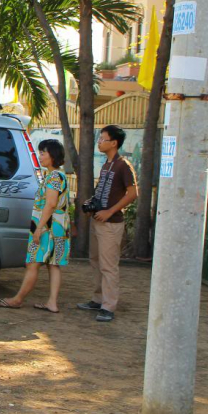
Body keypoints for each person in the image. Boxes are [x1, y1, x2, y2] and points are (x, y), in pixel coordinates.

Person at [0, 139, 70, 313]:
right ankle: (52, 302)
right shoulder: (59, 175)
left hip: (48, 227)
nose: (40, 156)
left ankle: (17, 299)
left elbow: (50, 204)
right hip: (58, 227)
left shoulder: (53, 177)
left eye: (43, 153)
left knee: (33, 263)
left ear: (53, 155)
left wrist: (39, 228)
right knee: (53, 264)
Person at [77, 125, 138, 322]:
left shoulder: (123, 165)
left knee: (109, 266)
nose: (99, 142)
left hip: (111, 224)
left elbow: (133, 193)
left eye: (103, 139)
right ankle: (98, 299)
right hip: (99, 221)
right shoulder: (106, 165)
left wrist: (110, 211)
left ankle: (108, 306)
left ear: (114, 143)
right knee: (95, 262)